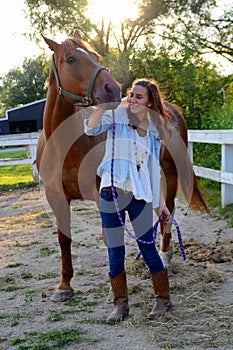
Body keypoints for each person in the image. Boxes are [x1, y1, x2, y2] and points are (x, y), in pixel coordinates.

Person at [84, 78, 172, 324]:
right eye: (131, 94)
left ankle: (163, 299)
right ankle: (120, 305)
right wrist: (104, 106)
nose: (132, 99)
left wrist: (161, 204)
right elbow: (90, 129)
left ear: (150, 102)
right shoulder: (117, 118)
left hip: (139, 194)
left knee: (148, 248)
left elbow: (154, 170)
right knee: (115, 251)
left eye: (139, 96)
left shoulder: (155, 132)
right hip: (110, 192)